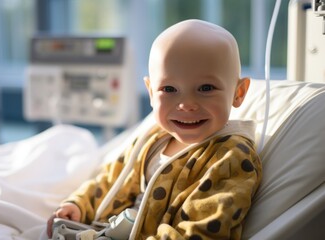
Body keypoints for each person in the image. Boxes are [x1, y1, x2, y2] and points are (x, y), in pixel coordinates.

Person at [47, 19, 262, 240]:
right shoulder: (152, 139)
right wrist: (79, 204)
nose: (186, 104)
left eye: (206, 88)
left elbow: (201, 230)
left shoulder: (230, 157)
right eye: (169, 89)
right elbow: (112, 180)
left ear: (239, 93)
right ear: (151, 92)